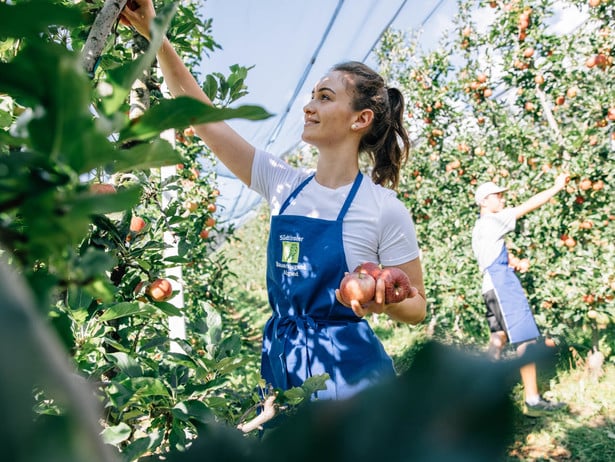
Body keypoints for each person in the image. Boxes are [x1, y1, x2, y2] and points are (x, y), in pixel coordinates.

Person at [120, 0, 426, 401]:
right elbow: (200, 116)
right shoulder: (282, 183)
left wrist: (386, 301)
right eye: (312, 95)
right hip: (284, 363)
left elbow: (418, 306)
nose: (309, 105)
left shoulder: (382, 207)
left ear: (360, 119)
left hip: (353, 381)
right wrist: (156, 36)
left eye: (324, 97)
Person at [471, 173, 569, 416]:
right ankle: (533, 401)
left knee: (498, 337)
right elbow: (529, 205)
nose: (502, 199)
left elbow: (491, 253)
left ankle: (481, 395)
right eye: (498, 196)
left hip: (489, 286)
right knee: (526, 340)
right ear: (484, 201)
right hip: (502, 285)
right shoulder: (493, 220)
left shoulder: (479, 227)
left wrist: (513, 261)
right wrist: (556, 188)